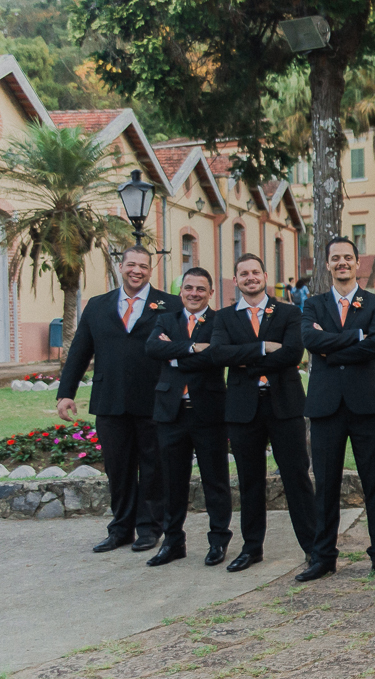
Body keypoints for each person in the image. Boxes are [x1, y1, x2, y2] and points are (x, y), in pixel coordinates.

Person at [57, 245, 180, 553]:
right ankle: (120, 528)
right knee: (117, 468)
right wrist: (65, 393)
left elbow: (184, 350)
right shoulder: (97, 306)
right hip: (110, 400)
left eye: (143, 266)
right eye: (131, 265)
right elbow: (79, 353)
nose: (136, 270)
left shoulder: (170, 305)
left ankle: (150, 528)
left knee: (153, 467)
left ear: (150, 271)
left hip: (154, 399)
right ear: (121, 267)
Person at [209, 253, 318, 572]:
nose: (250, 277)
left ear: (265, 276)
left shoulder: (286, 312)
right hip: (243, 410)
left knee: (297, 477)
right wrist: (261, 348)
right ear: (236, 280)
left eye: (255, 272)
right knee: (249, 481)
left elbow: (291, 354)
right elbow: (217, 354)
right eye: (244, 273)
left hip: (284, 406)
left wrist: (241, 359)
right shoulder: (224, 317)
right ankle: (252, 547)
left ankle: (313, 548)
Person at [299, 237, 375, 582]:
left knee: (374, 483)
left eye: (348, 258)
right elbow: (309, 340)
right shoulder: (314, 305)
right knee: (325, 484)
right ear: (326, 264)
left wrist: (333, 348)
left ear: (358, 263)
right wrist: (357, 337)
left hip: (366, 404)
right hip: (325, 406)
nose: (342, 263)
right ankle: (323, 556)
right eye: (335, 258)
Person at [144, 267, 232, 567]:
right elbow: (152, 347)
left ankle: (218, 540)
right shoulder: (165, 318)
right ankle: (172, 542)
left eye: (200, 289)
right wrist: (193, 347)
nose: (194, 293)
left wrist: (175, 352)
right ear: (181, 290)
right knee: (172, 481)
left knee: (215, 481)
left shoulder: (219, 321)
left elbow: (216, 354)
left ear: (210, 293)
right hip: (171, 412)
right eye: (188, 288)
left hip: (208, 412)